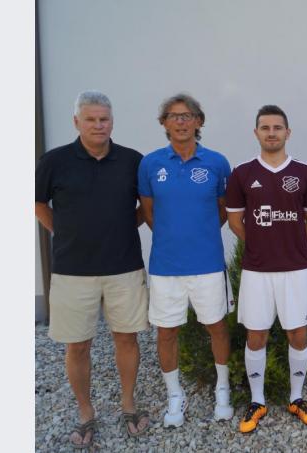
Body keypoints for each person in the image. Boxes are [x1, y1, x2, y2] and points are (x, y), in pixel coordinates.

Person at [35, 91, 150, 448]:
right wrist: (63, 230)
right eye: (91, 119)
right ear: (76, 122)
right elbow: (37, 202)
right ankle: (86, 413)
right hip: (72, 271)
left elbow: (146, 207)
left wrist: (120, 228)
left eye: (104, 119)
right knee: (77, 346)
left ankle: (128, 404)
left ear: (112, 122)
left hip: (124, 267)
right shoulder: (54, 161)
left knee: (126, 338)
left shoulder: (133, 161)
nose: (98, 125)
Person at [226, 105, 307, 433]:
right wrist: (260, 243)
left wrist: (291, 241)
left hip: (295, 269)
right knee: (256, 335)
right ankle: (257, 401)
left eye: (277, 127)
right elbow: (236, 221)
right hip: (257, 270)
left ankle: (296, 398)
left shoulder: (306, 174)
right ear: (256, 133)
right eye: (265, 127)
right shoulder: (242, 174)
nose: (271, 132)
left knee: (297, 333)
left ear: (287, 133)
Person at [138, 93, 233, 427]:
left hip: (208, 263)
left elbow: (223, 210)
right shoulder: (150, 164)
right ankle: (174, 395)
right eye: (173, 115)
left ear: (199, 121)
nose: (180, 121)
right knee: (166, 332)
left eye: (187, 115)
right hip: (166, 266)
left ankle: (223, 388)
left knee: (217, 327)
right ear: (163, 123)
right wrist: (175, 236)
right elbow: (149, 213)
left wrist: (200, 234)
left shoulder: (218, 162)